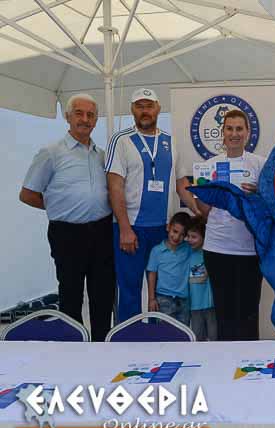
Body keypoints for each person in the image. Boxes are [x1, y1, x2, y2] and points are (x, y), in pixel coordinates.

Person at [20, 93, 115, 341]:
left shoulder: (102, 155)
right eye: (79, 113)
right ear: (68, 117)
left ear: (96, 120)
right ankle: (73, 347)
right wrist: (59, 206)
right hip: (67, 233)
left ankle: (102, 346)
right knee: (71, 294)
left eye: (90, 115)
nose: (85, 119)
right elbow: (27, 194)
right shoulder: (51, 153)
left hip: (102, 231)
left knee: (103, 294)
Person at [177, 109, 266, 341]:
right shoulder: (209, 166)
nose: (234, 134)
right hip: (217, 249)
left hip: (250, 250)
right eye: (229, 129)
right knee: (224, 314)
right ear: (222, 133)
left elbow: (271, 204)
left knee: (249, 313)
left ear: (248, 132)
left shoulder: (260, 164)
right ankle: (227, 360)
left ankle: (250, 360)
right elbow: (205, 212)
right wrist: (205, 196)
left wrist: (258, 193)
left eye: (239, 129)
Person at [106, 88, 179, 323]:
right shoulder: (121, 140)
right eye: (139, 106)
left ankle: (159, 337)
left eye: (149, 105)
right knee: (130, 290)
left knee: (163, 291)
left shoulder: (170, 141)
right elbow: (114, 186)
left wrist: (200, 212)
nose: (145, 111)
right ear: (132, 110)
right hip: (131, 230)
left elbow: (180, 183)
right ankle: (128, 338)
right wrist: (125, 228)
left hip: (163, 230)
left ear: (158, 108)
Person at [146, 212, 192, 325]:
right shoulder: (156, 251)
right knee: (165, 332)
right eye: (175, 231)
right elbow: (152, 274)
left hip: (184, 300)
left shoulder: (188, 249)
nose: (176, 237)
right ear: (168, 227)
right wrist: (151, 299)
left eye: (182, 235)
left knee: (182, 332)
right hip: (163, 299)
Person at [186, 216, 217, 341]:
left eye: (194, 237)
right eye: (188, 236)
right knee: (197, 340)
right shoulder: (188, 254)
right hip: (195, 306)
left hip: (211, 306)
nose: (190, 240)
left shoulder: (210, 254)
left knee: (214, 339)